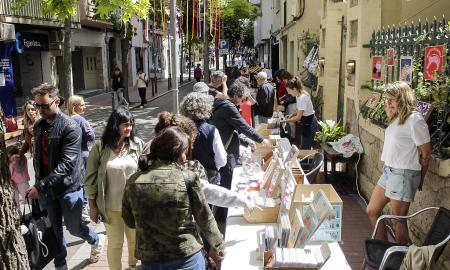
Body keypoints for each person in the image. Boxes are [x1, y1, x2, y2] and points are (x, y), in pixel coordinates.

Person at [122, 126, 226, 270]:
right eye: (184, 152)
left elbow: (129, 221)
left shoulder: (133, 180)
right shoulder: (187, 178)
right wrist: (218, 245)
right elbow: (204, 218)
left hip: (151, 259)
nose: (185, 157)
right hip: (186, 257)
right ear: (177, 153)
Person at [26, 83, 105, 269]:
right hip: (47, 191)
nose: (40, 110)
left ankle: (96, 239)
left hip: (68, 189)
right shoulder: (38, 126)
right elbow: (38, 157)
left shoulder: (70, 126)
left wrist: (40, 186)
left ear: (57, 101)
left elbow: (66, 165)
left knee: (74, 228)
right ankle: (61, 265)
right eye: (38, 106)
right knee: (54, 232)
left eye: (44, 105)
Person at [366, 81, 431, 244]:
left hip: (404, 174)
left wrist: (420, 179)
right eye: (386, 99)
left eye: (391, 99)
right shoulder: (397, 118)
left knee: (398, 220)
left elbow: (426, 153)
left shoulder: (415, 120)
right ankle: (384, 249)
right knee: (372, 210)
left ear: (402, 98)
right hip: (389, 171)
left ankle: (399, 260)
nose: (387, 103)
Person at [84, 106, 144, 270]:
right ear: (115, 125)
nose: (129, 128)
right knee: (116, 243)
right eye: (125, 124)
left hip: (133, 206)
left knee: (133, 240)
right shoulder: (100, 147)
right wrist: (92, 206)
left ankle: (132, 265)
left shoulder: (137, 145)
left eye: (130, 124)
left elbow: (147, 170)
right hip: (110, 207)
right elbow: (91, 178)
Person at [211, 81, 271, 220]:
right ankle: (222, 216)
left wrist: (247, 142)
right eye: (243, 98)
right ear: (237, 96)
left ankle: (221, 214)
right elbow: (244, 127)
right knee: (226, 185)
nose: (243, 101)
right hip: (226, 153)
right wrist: (261, 140)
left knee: (225, 183)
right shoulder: (229, 107)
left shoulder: (224, 104)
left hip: (224, 149)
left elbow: (232, 130)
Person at [180, 92, 227, 185]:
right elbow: (221, 160)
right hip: (209, 179)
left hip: (185, 177)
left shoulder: (178, 129)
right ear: (205, 108)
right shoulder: (211, 130)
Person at [67, 95, 95, 223]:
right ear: (75, 106)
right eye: (82, 104)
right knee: (85, 181)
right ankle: (84, 209)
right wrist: (88, 126)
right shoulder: (81, 120)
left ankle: (76, 208)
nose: (84, 106)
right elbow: (91, 136)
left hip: (71, 155)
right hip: (83, 154)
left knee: (76, 181)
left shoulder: (66, 119)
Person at [280, 77, 317, 149]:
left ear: (294, 89)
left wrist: (284, 121)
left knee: (305, 147)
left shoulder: (303, 98)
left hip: (310, 123)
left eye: (289, 91)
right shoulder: (298, 95)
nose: (288, 93)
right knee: (304, 145)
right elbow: (301, 110)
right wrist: (292, 114)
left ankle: (307, 160)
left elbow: (298, 117)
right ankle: (306, 160)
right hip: (306, 122)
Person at [7, 144, 30, 208]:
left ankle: (37, 213)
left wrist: (14, 162)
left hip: (22, 181)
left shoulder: (22, 158)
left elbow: (19, 169)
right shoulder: (10, 161)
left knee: (28, 198)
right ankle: (19, 216)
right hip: (13, 183)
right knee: (15, 202)